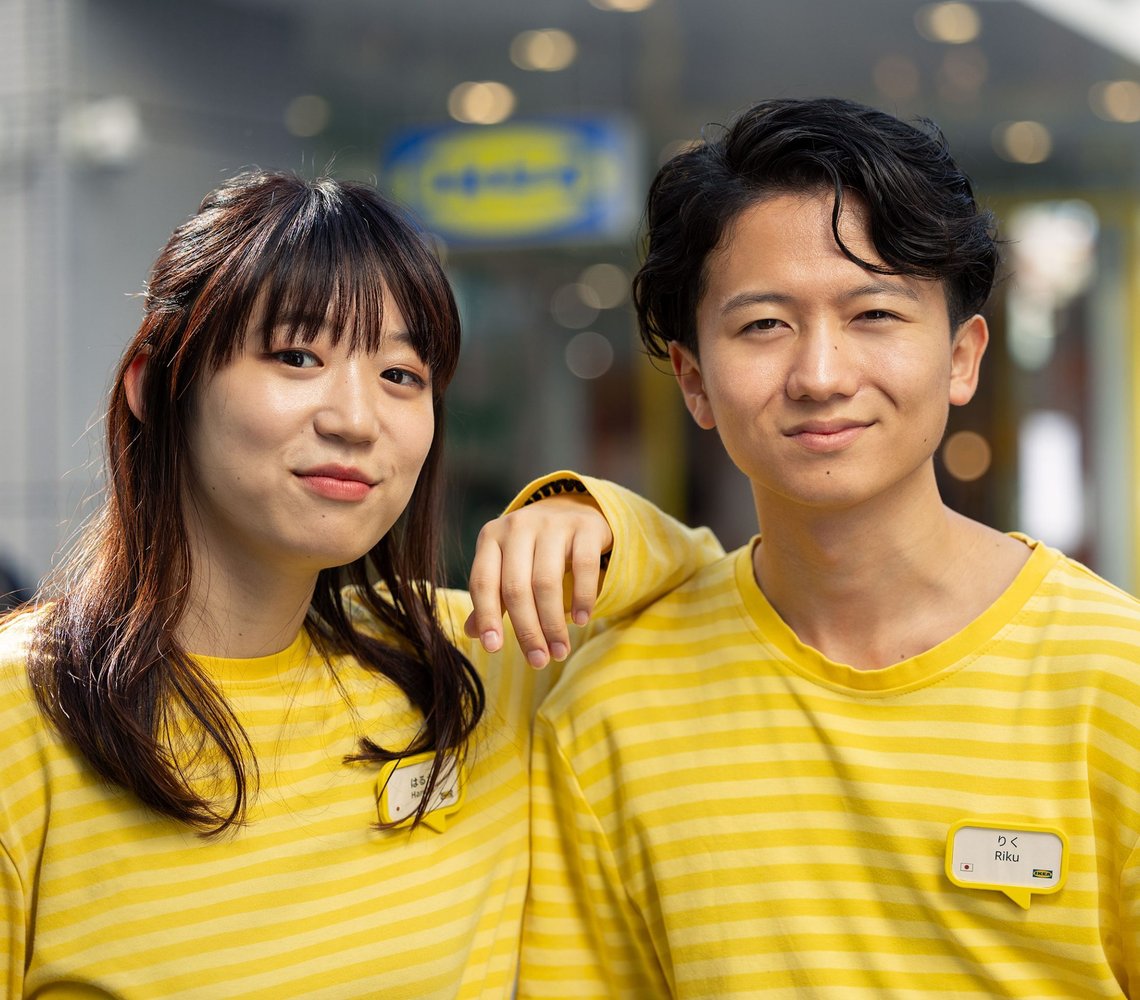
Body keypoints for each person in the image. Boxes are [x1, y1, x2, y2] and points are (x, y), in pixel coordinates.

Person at [0, 170, 722, 998]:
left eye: (401, 376)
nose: (354, 417)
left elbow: (710, 584)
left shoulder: (468, 662)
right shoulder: (25, 713)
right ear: (156, 384)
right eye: (297, 356)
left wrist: (586, 516)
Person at [520, 97, 1140, 998]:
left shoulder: (1112, 679)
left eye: (875, 315)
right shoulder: (609, 712)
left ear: (963, 358)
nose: (819, 375)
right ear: (693, 379)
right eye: (763, 324)